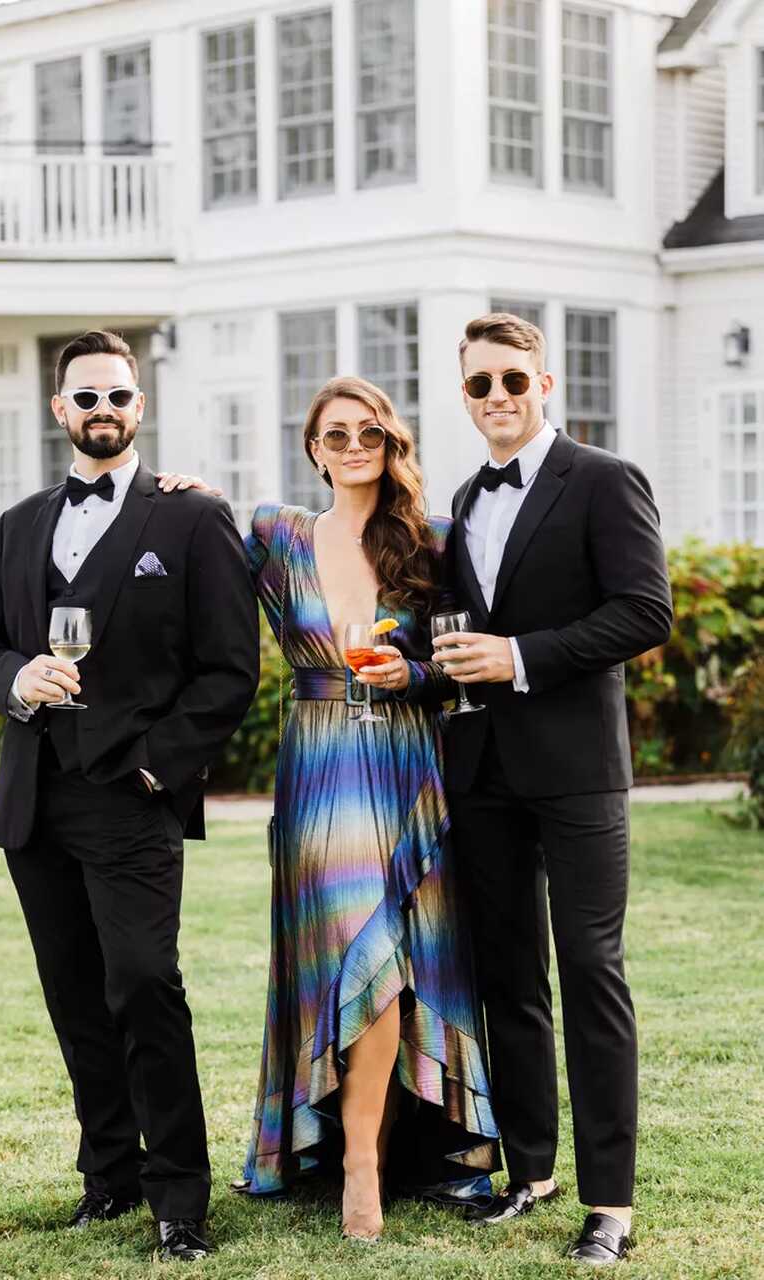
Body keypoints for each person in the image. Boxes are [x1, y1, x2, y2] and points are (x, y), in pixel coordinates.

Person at [160, 375, 499, 1243]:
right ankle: (349, 1156)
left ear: (390, 445)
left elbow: (454, 657)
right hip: (315, 763)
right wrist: (195, 497)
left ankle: (363, 1165)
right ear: (312, 447)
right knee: (347, 949)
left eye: (369, 434)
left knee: (386, 952)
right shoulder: (275, 534)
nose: (353, 446)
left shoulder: (431, 539)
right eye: (335, 434)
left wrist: (414, 675)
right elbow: (198, 573)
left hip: (398, 759)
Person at [0, 329, 260, 1264]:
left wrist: (154, 767)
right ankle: (109, 1178)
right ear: (61, 410)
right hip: (35, 799)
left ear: (141, 407)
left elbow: (229, 671)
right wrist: (17, 678)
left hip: (130, 798)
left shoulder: (191, 519)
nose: (102, 412)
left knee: (144, 987)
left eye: (118, 397)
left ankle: (178, 1198)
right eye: (85, 398)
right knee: (75, 998)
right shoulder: (16, 527)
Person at [432, 313, 673, 1265]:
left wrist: (518, 657)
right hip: (481, 775)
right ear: (464, 395)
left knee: (590, 973)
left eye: (512, 380)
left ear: (546, 385)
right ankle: (529, 1173)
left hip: (576, 774)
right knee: (508, 979)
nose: (497, 397)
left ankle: (608, 1205)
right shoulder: (462, 495)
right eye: (480, 384)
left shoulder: (604, 479)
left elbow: (643, 611)